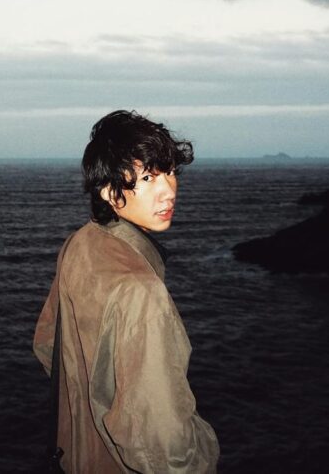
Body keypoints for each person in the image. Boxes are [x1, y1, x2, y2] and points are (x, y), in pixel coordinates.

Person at [33, 110, 220, 473]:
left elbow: (45, 345)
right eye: (148, 177)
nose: (168, 189)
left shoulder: (79, 245)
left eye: (169, 172)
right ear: (109, 191)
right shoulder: (141, 290)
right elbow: (162, 447)